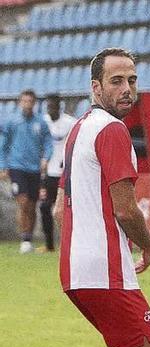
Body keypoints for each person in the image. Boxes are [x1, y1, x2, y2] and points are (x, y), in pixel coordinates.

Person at [47, 47, 150, 347]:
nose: (127, 88)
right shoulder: (113, 131)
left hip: (78, 268)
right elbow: (126, 209)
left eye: (132, 80)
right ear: (95, 87)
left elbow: (61, 209)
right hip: (105, 269)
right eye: (116, 81)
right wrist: (149, 246)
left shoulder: (78, 130)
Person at [0, 89, 53, 254]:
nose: (27, 104)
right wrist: (3, 166)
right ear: (19, 103)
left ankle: (29, 237)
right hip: (17, 168)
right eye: (24, 101)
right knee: (22, 202)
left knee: (31, 205)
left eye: (30, 101)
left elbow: (48, 142)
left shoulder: (41, 123)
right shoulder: (12, 122)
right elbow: (3, 145)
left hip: (34, 169)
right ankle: (24, 239)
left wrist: (46, 157)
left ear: (34, 103)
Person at [39, 94, 77, 253]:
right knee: (45, 206)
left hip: (65, 172)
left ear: (59, 106)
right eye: (49, 106)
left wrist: (68, 161)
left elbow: (75, 143)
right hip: (48, 173)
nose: (51, 109)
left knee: (67, 209)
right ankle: (49, 244)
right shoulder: (42, 122)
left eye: (53, 106)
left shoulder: (70, 122)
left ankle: (70, 242)